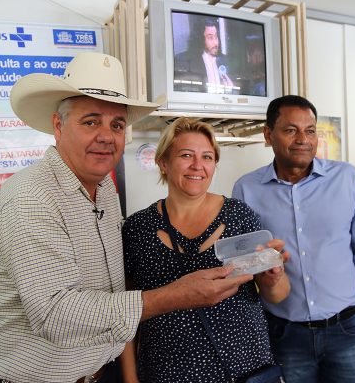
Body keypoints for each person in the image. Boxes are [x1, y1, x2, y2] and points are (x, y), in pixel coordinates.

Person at [0, 52, 254, 383]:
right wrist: (174, 295)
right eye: (90, 121)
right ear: (58, 125)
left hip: (104, 371)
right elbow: (55, 315)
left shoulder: (105, 191)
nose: (106, 136)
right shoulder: (31, 198)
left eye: (117, 125)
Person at [233, 95, 355, 383]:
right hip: (285, 334)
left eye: (310, 131)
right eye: (290, 130)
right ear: (268, 135)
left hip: (347, 330)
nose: (303, 140)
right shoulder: (247, 189)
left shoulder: (346, 179)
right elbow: (244, 266)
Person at [120, 117, 289, 382]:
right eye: (186, 155)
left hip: (243, 369)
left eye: (207, 157)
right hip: (167, 373)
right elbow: (125, 314)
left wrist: (273, 279)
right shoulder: (137, 228)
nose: (197, 165)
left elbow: (277, 294)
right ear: (163, 162)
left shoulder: (239, 216)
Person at [174, 18, 235, 94]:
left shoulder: (224, 60)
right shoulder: (186, 61)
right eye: (210, 38)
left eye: (216, 37)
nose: (215, 43)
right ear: (201, 39)